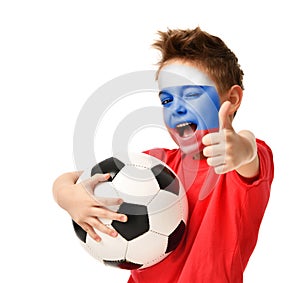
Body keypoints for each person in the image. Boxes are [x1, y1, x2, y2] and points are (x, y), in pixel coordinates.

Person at [53, 27, 274, 283]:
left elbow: (250, 154)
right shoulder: (153, 165)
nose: (177, 109)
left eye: (191, 94)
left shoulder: (239, 166)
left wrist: (240, 147)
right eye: (167, 100)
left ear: (232, 99)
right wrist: (68, 196)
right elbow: (76, 180)